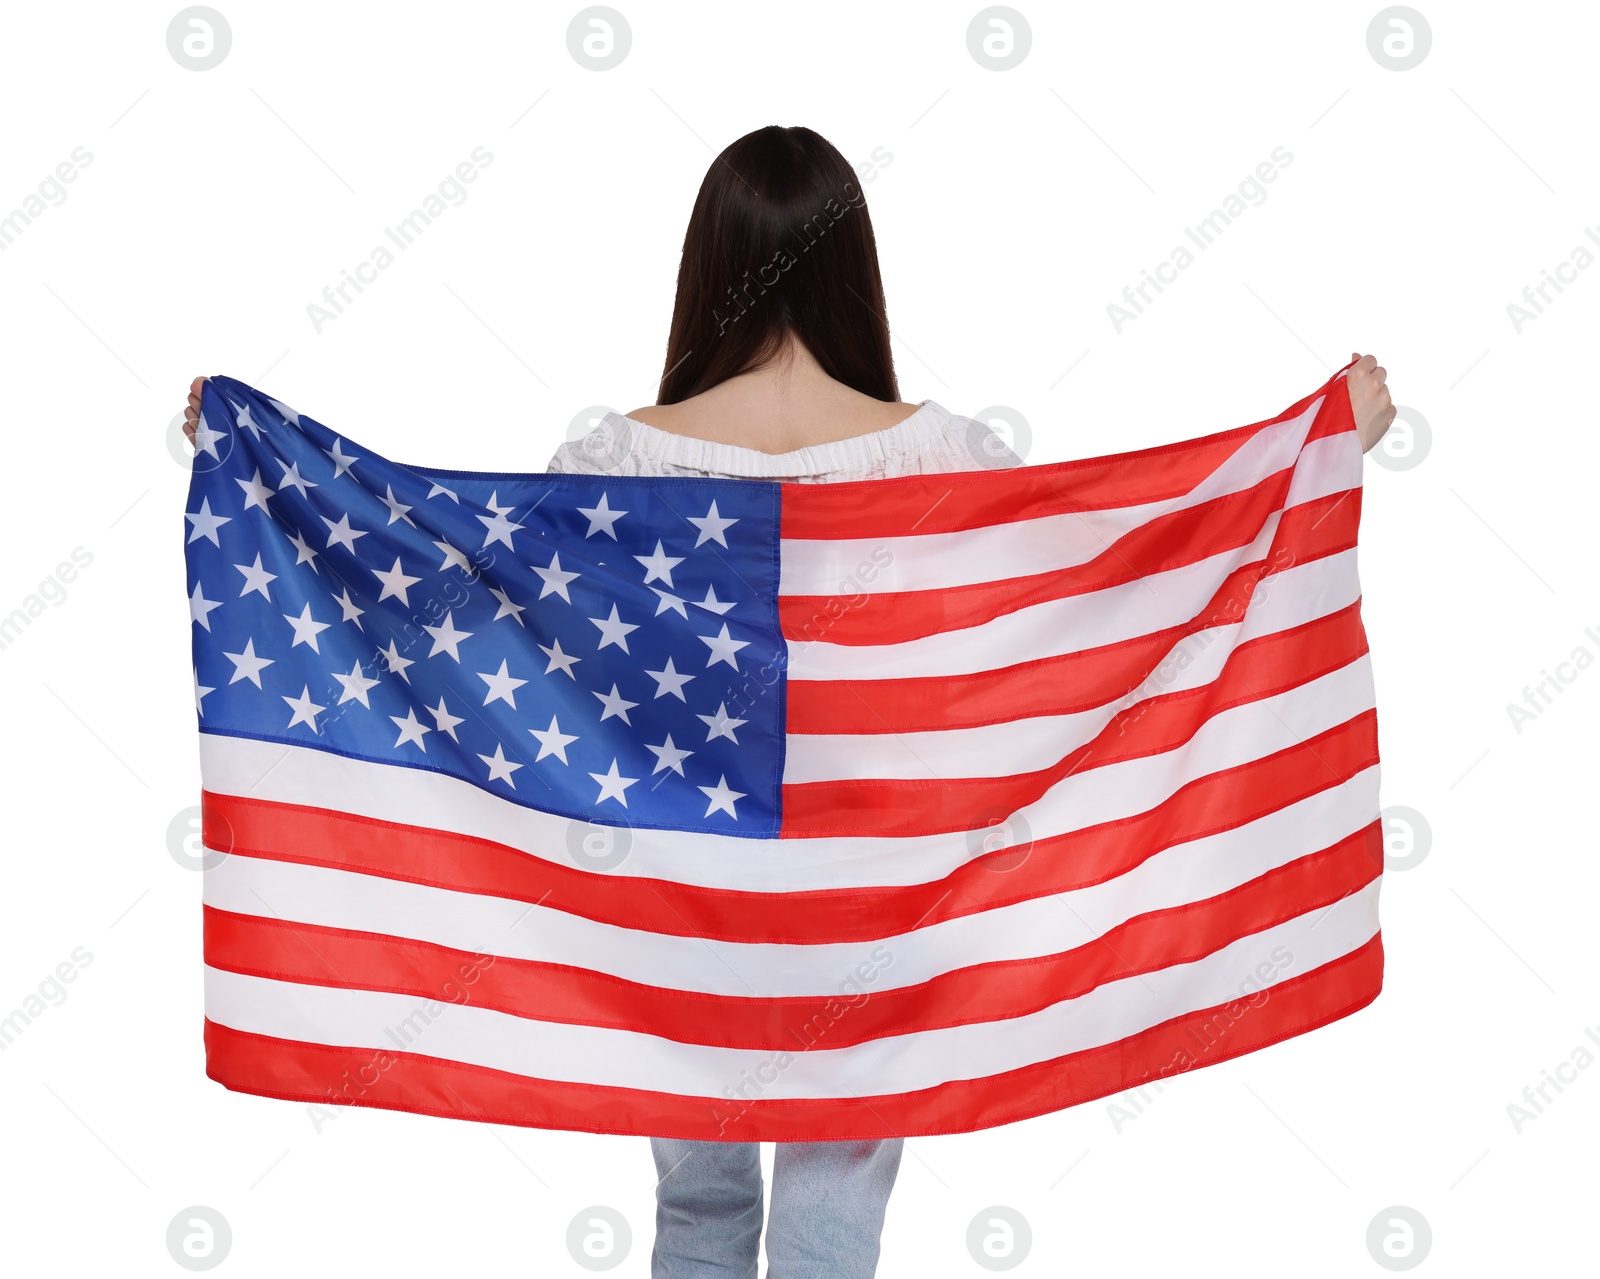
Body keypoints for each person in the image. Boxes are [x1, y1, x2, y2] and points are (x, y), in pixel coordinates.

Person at [183, 124, 1397, 1279]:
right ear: (852, 274)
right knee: (834, 1213)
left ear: (706, 267)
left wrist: (256, 466)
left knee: (696, 1204)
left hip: (670, 905)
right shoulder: (947, 457)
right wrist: (1313, 450)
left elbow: (469, 604)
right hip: (882, 899)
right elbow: (1089, 598)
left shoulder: (616, 458)